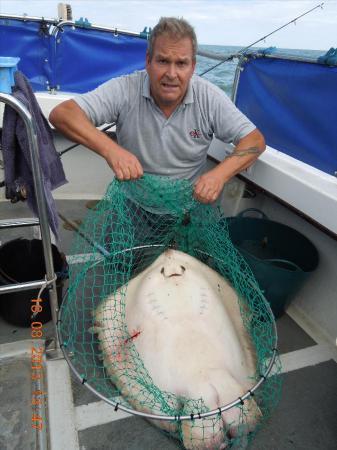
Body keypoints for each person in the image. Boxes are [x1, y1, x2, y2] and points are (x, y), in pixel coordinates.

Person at [49, 17, 265, 204]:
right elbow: (63, 114)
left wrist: (219, 175)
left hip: (188, 208)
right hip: (133, 203)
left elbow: (254, 141)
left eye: (181, 64)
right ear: (148, 61)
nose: (171, 74)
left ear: (193, 67)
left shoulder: (209, 97)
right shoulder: (124, 88)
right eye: (163, 61)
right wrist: (111, 150)